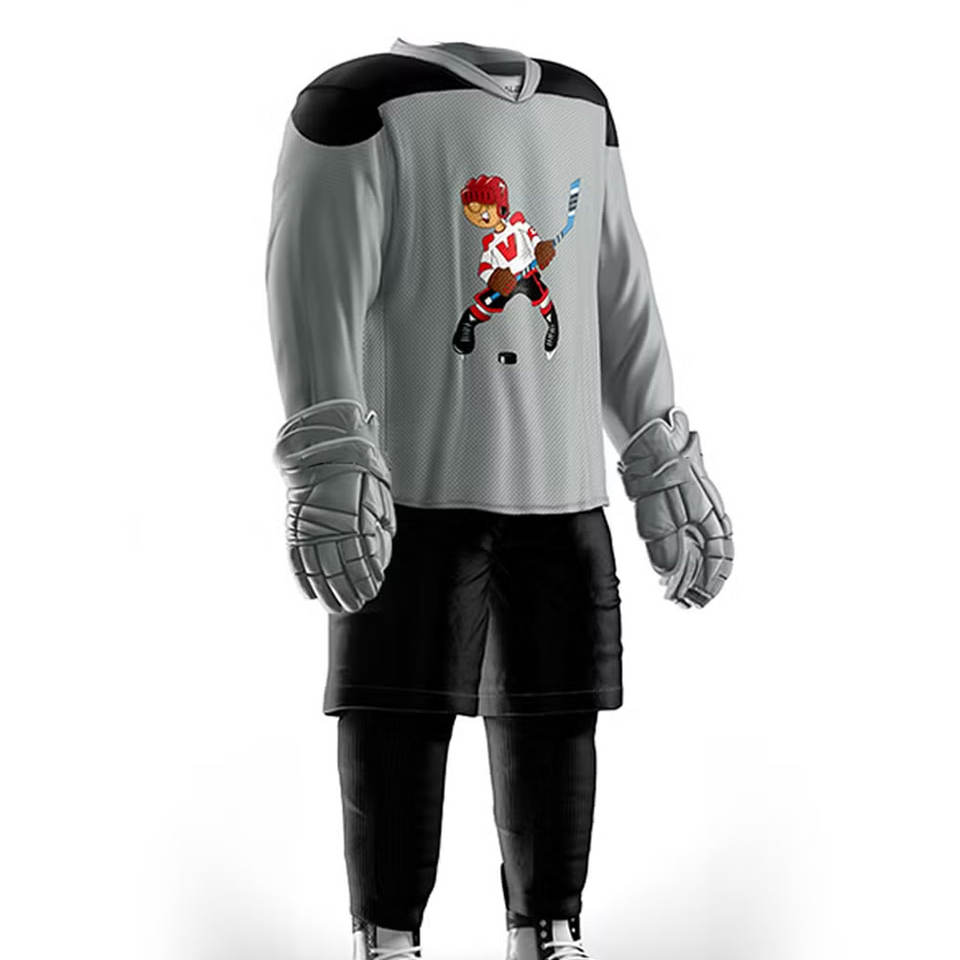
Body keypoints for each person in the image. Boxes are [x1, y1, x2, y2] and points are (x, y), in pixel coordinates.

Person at [265, 38, 734, 960]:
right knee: (398, 716)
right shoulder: (357, 105)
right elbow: (314, 280)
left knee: (558, 716)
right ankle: (388, 938)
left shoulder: (583, 110)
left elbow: (616, 289)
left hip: (564, 494)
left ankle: (548, 930)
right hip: (411, 497)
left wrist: (658, 449)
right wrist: (328, 447)